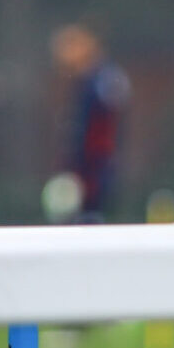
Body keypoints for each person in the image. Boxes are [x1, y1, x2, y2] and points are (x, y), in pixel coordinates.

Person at [52, 24, 127, 223]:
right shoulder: (85, 81)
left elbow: (104, 132)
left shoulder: (103, 80)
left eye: (71, 44)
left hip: (95, 173)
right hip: (83, 172)